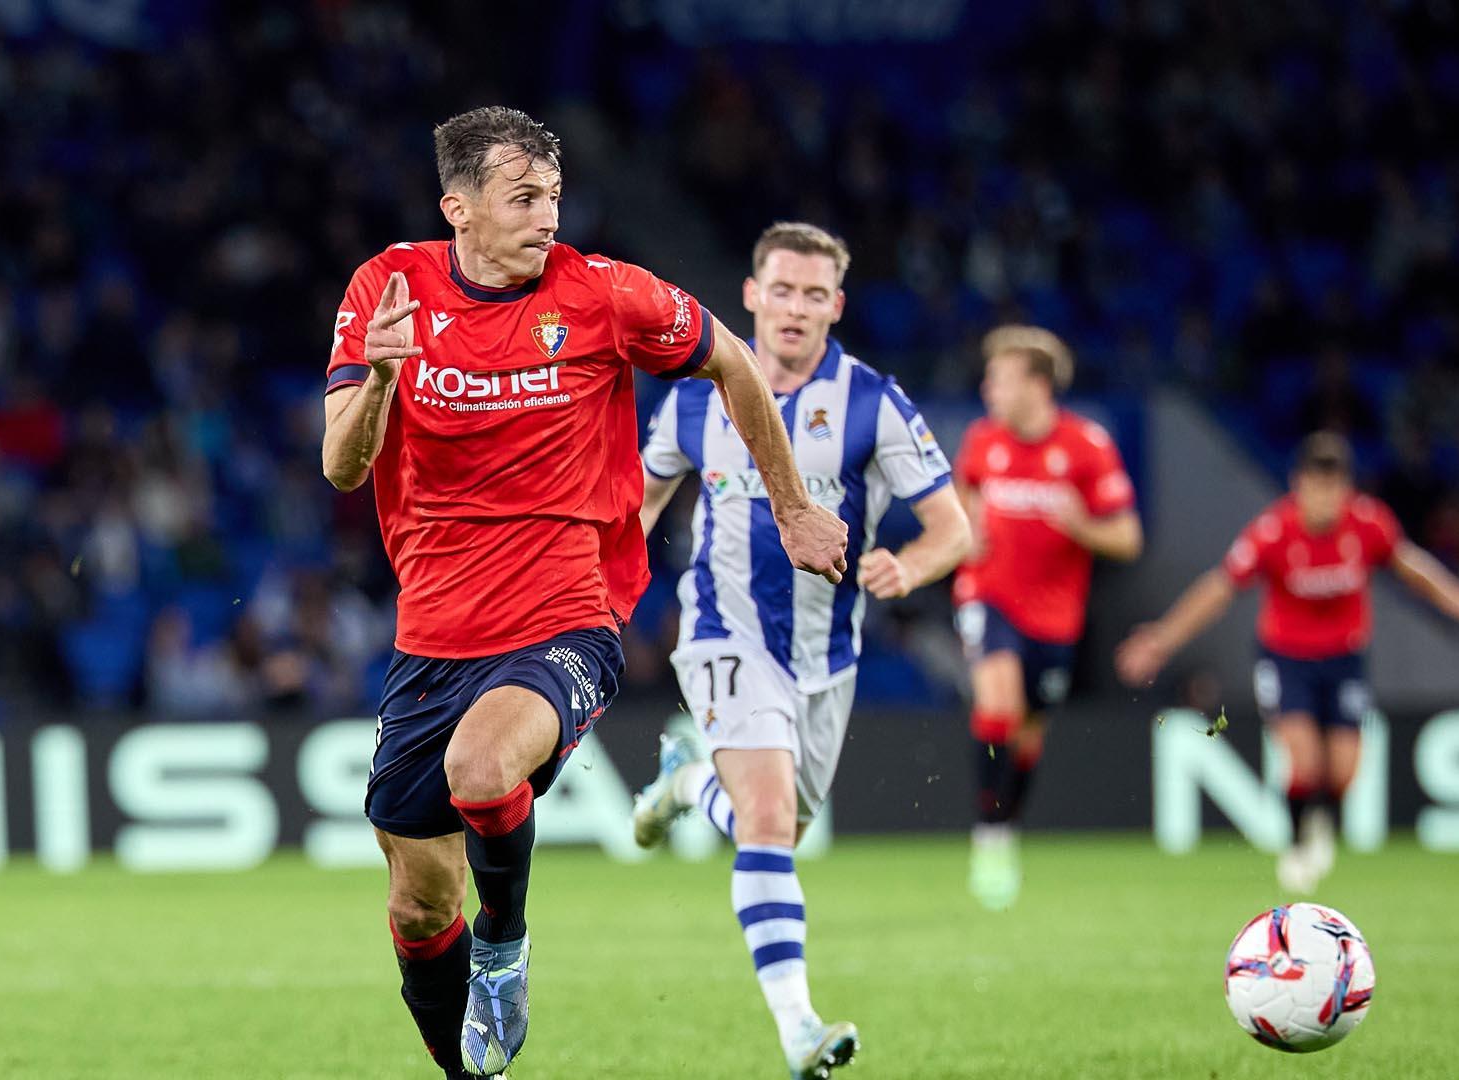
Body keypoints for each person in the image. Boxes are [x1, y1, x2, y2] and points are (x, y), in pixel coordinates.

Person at [319, 108, 848, 1079]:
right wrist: (386, 380)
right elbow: (343, 466)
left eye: (554, 196)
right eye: (523, 197)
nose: (547, 216)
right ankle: (464, 1067)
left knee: (482, 770)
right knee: (417, 904)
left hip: (570, 615)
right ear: (459, 207)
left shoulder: (606, 295)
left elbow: (731, 359)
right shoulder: (388, 288)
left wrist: (792, 506)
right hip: (432, 638)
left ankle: (507, 946)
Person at [626, 222, 971, 1080]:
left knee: (769, 825)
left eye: (814, 294)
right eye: (780, 289)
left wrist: (913, 564)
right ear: (750, 294)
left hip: (826, 657)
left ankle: (686, 783)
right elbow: (637, 505)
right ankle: (798, 1028)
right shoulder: (698, 397)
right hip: (720, 633)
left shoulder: (873, 403)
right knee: (773, 823)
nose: (794, 307)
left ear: (836, 307)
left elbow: (954, 528)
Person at [1115, 431, 1459, 892]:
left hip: (1345, 658)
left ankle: (1320, 826)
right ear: (1298, 486)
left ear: (1347, 488)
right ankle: (1295, 843)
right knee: (1304, 761)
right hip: (1286, 658)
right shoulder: (1273, 532)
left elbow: (1417, 573)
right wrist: (1163, 639)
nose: (1326, 499)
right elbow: (1218, 590)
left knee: (1345, 770)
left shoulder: (1368, 524)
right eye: (1317, 486)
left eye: (1334, 487)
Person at [950, 325, 1142, 910]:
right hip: (988, 598)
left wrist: (1081, 525)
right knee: (999, 703)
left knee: (1028, 734)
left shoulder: (1087, 446)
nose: (988, 388)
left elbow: (1128, 538)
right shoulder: (983, 441)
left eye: (999, 378)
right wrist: (967, 518)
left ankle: (1004, 826)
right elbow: (962, 491)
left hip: (1056, 619)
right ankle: (987, 837)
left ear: (1036, 384)